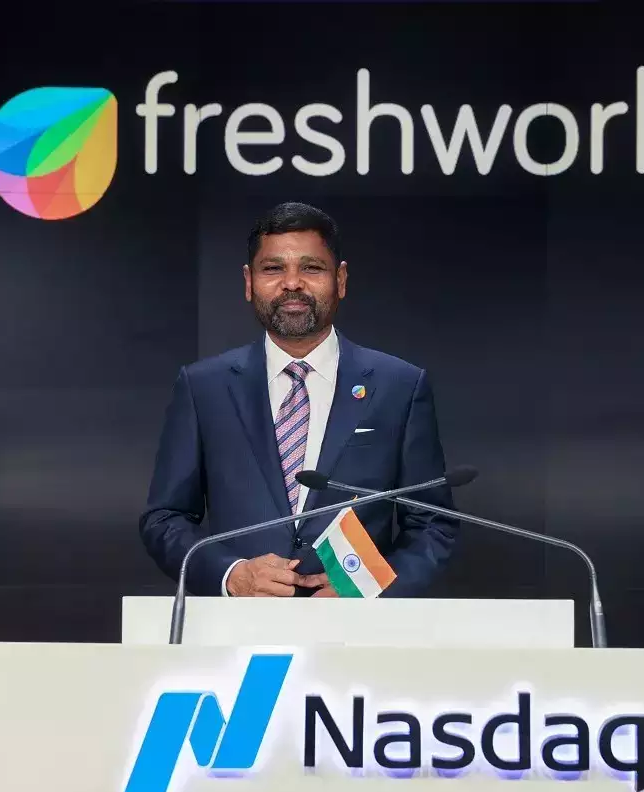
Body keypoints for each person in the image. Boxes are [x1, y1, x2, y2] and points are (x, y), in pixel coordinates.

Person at [139, 202, 459, 598]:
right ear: (249, 281)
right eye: (273, 269)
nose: (292, 283)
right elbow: (165, 518)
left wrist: (366, 586)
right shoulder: (204, 387)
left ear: (340, 279)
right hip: (238, 624)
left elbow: (432, 525)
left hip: (358, 626)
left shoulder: (400, 386)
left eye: (311, 268)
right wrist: (232, 575)